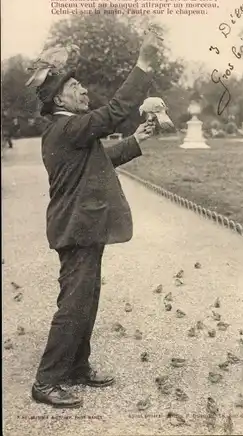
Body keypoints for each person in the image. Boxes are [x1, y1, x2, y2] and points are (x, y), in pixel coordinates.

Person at [31, 29, 162, 408]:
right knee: (74, 304)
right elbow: (116, 111)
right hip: (76, 230)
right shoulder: (66, 127)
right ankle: (47, 381)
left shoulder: (70, 131)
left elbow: (104, 159)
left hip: (83, 228)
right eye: (76, 86)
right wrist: (143, 65)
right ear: (59, 97)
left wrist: (137, 139)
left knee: (86, 299)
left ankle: (76, 367)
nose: (85, 91)